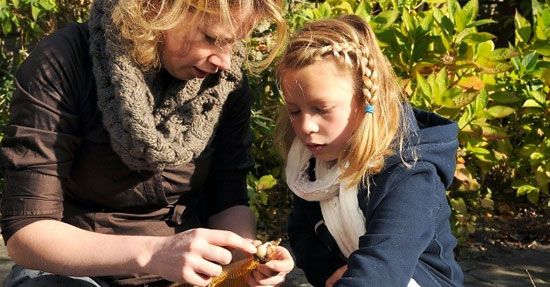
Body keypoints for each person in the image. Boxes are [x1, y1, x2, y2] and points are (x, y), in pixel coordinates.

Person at [0, 0, 294, 286]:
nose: (224, 61)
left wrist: (245, 263)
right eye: (212, 38)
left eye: (234, 43)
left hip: (190, 277)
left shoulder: (225, 84)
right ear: (158, 9)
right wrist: (153, 254)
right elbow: (27, 231)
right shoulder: (64, 61)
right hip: (75, 273)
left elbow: (228, 202)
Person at [274, 15, 464, 287]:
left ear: (366, 100)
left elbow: (383, 267)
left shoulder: (410, 172)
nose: (306, 126)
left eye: (321, 109)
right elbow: (303, 232)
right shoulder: (313, 165)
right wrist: (327, 271)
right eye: (294, 111)